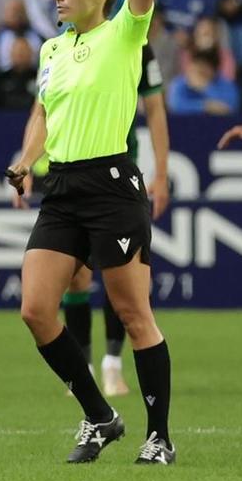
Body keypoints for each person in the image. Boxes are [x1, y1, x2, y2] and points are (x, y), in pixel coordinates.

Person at [4, 0, 189, 466]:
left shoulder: (124, 32)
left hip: (113, 185)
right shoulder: (52, 49)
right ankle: (100, 416)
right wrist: (27, 160)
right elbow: (42, 114)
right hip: (63, 188)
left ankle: (158, 436)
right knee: (35, 310)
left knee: (135, 313)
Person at [61, 56, 170, 400]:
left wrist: (162, 174)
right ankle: (85, 368)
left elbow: (154, 109)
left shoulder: (131, 43)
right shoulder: (62, 46)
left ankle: (111, 365)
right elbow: (43, 107)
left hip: (116, 177)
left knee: (118, 276)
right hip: (70, 175)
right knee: (75, 276)